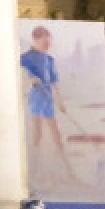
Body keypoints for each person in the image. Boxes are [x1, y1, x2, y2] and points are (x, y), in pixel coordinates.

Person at [20, 26, 79, 188]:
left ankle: (69, 173)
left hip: (48, 100)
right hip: (36, 98)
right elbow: (21, 74)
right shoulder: (25, 57)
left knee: (56, 136)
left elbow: (54, 83)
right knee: (37, 135)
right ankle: (32, 174)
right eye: (44, 42)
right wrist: (30, 78)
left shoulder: (49, 59)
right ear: (36, 39)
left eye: (48, 43)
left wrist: (60, 102)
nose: (47, 46)